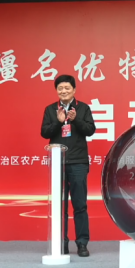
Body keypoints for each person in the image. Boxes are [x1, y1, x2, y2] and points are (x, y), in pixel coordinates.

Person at [41, 74, 96, 257]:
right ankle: (61, 243)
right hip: (58, 163)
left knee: (80, 205)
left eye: (67, 88)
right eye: (60, 88)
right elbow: (44, 132)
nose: (63, 91)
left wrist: (76, 119)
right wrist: (58, 122)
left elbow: (90, 130)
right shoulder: (50, 109)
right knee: (60, 206)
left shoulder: (83, 108)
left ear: (74, 90)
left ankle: (82, 243)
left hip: (78, 161)